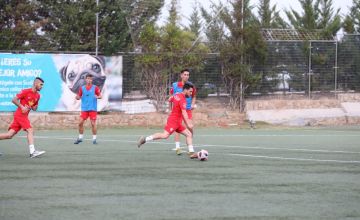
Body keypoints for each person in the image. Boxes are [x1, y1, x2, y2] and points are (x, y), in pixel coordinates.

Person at [137, 83, 195, 154]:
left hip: (177, 122)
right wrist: (188, 123)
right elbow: (184, 112)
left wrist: (171, 110)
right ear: (185, 90)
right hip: (173, 121)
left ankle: (191, 152)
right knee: (165, 135)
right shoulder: (182, 99)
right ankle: (145, 139)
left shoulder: (176, 94)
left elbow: (170, 99)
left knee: (189, 134)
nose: (191, 93)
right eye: (190, 91)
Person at [0, 77, 46, 158]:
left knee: (9, 135)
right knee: (30, 130)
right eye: (41, 84)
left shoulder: (38, 95)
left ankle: (33, 152)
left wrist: (35, 105)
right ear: (35, 83)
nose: (42, 86)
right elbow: (14, 100)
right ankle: (33, 152)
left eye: (43, 85)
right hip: (20, 115)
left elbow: (34, 108)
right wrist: (22, 107)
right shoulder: (26, 91)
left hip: (23, 116)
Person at [169, 69, 196, 155]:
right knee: (177, 128)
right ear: (181, 75)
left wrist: (192, 104)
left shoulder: (191, 85)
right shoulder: (175, 85)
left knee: (190, 127)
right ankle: (177, 148)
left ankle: (190, 146)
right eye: (185, 74)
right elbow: (171, 97)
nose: (186, 76)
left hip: (187, 110)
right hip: (178, 111)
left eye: (188, 75)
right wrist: (171, 109)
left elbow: (194, 96)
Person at [74, 74, 102, 145]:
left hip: (92, 109)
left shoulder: (95, 88)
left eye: (90, 79)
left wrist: (98, 96)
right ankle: (80, 138)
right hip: (84, 109)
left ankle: (94, 139)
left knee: (93, 124)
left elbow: (100, 96)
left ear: (92, 80)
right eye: (88, 79)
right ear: (85, 79)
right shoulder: (82, 88)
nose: (89, 80)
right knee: (80, 123)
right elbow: (78, 96)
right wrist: (77, 97)